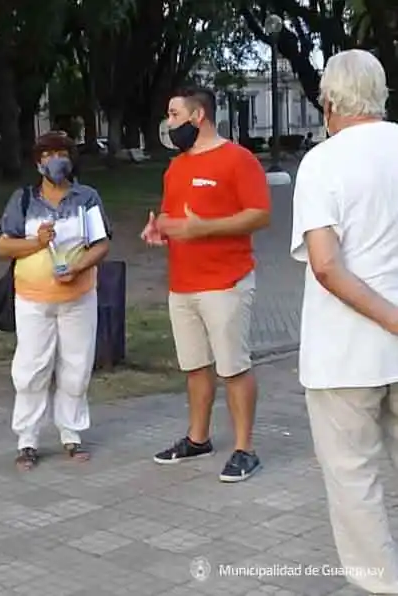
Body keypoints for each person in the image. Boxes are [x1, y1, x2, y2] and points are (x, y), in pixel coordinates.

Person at [290, 49, 398, 593]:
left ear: (329, 101)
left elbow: (326, 266)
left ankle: (382, 583)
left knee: (355, 479)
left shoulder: (322, 162)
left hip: (343, 355)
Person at [141, 86, 271, 482]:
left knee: (233, 367)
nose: (169, 123)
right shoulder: (176, 167)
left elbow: (260, 215)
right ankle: (198, 439)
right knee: (195, 366)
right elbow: (173, 217)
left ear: (199, 116)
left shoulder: (238, 159)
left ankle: (245, 449)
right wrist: (160, 229)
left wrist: (205, 228)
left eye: (174, 114)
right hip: (182, 284)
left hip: (225, 282)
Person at [0, 132, 111, 471]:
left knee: (76, 366)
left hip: (78, 297)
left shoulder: (86, 197)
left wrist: (77, 267)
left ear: (72, 160)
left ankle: (71, 434)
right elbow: (3, 246)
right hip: (32, 300)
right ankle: (27, 440)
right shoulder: (24, 199)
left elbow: (101, 244)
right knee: (31, 369)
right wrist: (36, 241)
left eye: (61, 153)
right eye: (47, 155)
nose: (55, 160)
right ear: (37, 162)